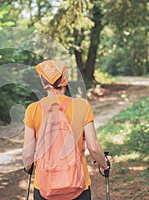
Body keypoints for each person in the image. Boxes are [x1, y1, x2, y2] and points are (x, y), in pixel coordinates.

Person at [22, 60, 110, 200]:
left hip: (44, 186)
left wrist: (28, 168)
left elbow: (28, 154)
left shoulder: (33, 109)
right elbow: (93, 147)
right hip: (78, 184)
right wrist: (105, 165)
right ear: (65, 80)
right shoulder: (81, 106)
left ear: (43, 82)